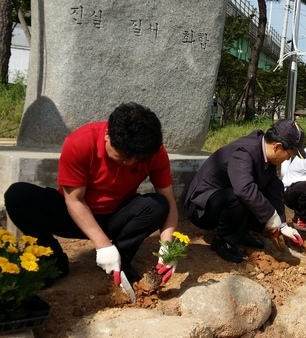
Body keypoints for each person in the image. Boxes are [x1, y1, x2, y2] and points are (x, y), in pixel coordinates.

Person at [4, 102, 179, 286]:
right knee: (18, 196)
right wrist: (103, 245)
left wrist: (168, 248)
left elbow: (170, 204)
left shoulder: (152, 152)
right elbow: (74, 201)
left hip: (116, 217)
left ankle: (120, 259)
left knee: (158, 205)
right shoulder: (80, 143)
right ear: (107, 135)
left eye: (137, 159)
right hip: (74, 216)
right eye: (124, 157)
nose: (130, 163)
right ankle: (52, 260)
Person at [184, 119, 305, 263]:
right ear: (277, 147)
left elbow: (274, 189)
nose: (287, 160)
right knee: (243, 194)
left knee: (262, 192)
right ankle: (223, 241)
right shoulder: (245, 152)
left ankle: (239, 233)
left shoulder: (266, 156)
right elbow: (243, 189)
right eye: (289, 155)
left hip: (222, 201)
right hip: (201, 208)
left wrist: (283, 225)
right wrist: (270, 216)